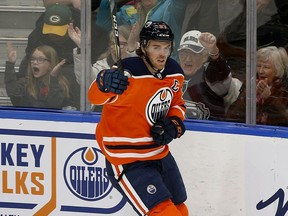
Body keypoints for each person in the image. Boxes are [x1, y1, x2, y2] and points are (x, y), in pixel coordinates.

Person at [88, 20, 188, 216]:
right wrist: (104, 82)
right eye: (156, 47)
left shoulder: (174, 71)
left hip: (160, 153)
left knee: (180, 209)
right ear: (143, 47)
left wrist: (174, 123)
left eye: (166, 47)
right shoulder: (128, 72)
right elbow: (95, 96)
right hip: (128, 159)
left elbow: (177, 104)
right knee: (163, 212)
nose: (162, 53)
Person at [178, 30, 242, 120]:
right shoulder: (172, 76)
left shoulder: (209, 76)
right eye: (184, 53)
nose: (188, 59)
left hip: (207, 132)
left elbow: (220, 73)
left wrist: (214, 51)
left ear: (204, 56)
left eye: (194, 54)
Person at [96, 0, 189, 60]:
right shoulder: (129, 11)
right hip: (137, 67)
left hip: (166, 66)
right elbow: (103, 23)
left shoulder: (170, 6)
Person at [226, 46, 288, 126]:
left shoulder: (284, 89)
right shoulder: (250, 83)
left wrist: (269, 98)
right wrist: (248, 95)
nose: (261, 71)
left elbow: (284, 121)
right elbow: (231, 117)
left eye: (266, 67)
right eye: (258, 66)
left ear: (277, 70)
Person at [5, 43, 76, 109]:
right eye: (32, 59)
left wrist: (53, 78)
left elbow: (54, 105)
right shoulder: (26, 83)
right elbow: (13, 94)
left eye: (40, 59)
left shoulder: (62, 85)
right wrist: (10, 65)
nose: (35, 62)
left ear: (50, 64)